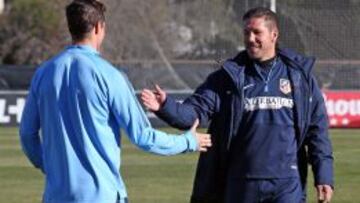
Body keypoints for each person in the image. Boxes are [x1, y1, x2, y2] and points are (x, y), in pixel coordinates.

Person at [19, 1, 212, 203]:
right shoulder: (109, 75)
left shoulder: (43, 73)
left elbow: (27, 134)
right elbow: (143, 137)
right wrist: (188, 141)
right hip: (101, 196)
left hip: (55, 196)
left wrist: (49, 166)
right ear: (98, 27)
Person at [141, 7, 334, 203]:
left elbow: (317, 130)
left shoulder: (300, 78)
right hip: (241, 182)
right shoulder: (228, 78)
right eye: (246, 33)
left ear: (274, 35)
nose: (250, 39)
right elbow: (195, 112)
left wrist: (324, 175)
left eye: (257, 32)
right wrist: (166, 106)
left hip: (287, 184)